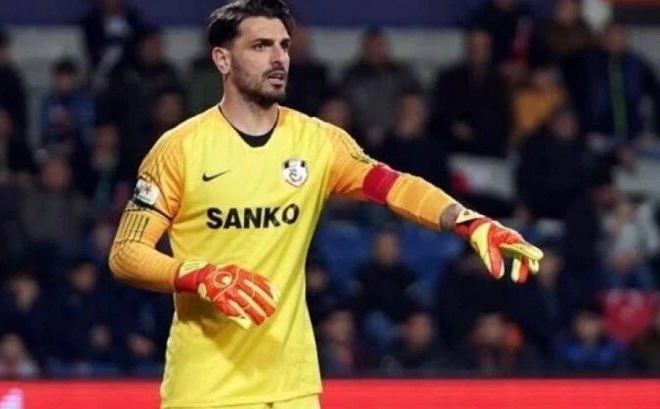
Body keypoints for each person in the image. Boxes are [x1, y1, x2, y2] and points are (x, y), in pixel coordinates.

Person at [107, 1, 544, 408]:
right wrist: (198, 275)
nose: (278, 58)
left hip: (292, 387)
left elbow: (395, 187)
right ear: (222, 59)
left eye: (283, 46)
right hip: (205, 390)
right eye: (260, 46)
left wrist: (467, 221)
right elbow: (126, 254)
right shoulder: (179, 149)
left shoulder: (318, 141)